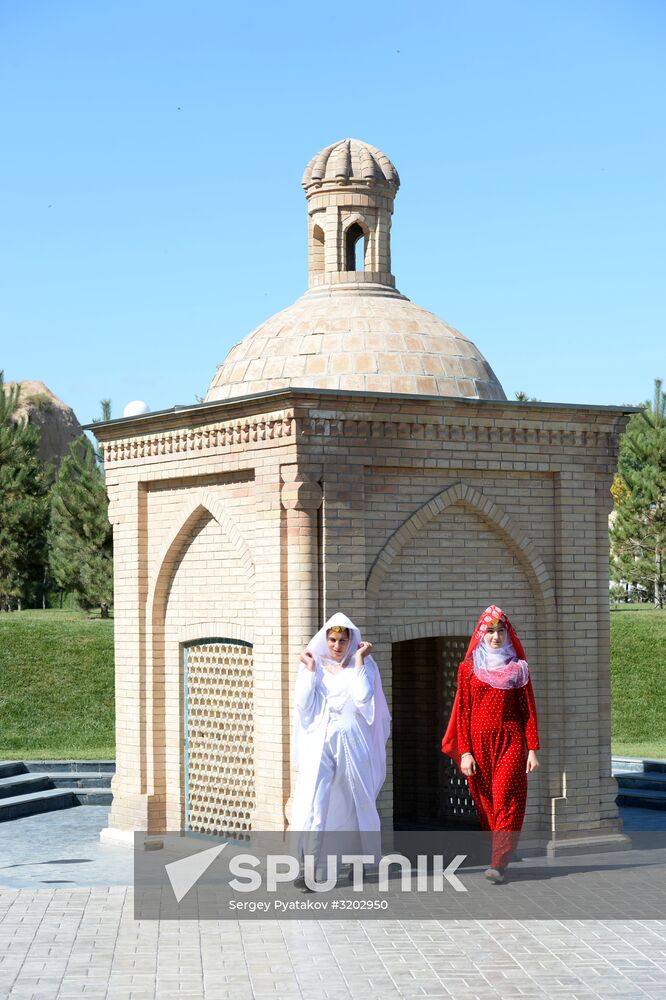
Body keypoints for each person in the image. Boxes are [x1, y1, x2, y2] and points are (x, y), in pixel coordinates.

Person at [441, 605, 539, 884]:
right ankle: (503, 852)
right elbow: (463, 712)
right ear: (480, 634)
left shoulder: (518, 669)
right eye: (490, 631)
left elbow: (527, 710)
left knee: (507, 797)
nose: (495, 637)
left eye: (501, 631)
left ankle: (498, 862)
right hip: (478, 746)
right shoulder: (468, 669)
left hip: (510, 742)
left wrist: (532, 748)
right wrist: (465, 752)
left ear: (508, 634)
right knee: (488, 804)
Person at [290, 612, 390, 885]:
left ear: (351, 640)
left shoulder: (364, 666)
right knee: (315, 802)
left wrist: (359, 660)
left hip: (352, 741)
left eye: (342, 640)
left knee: (356, 799)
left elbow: (363, 697)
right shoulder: (315, 666)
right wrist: (310, 670)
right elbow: (302, 704)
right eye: (332, 639)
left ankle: (357, 863)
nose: (336, 645)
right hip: (320, 741)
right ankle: (308, 869)